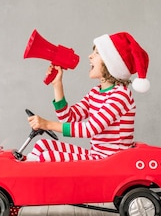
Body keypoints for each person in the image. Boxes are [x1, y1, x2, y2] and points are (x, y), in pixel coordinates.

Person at [26, 32, 150, 162]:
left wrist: (47, 124)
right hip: (96, 156)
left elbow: (90, 129)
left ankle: (26, 177)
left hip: (111, 162)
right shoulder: (96, 92)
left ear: (110, 63)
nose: (90, 56)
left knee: (46, 157)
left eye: (97, 53)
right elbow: (68, 118)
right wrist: (57, 85)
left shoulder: (121, 95)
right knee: (42, 145)